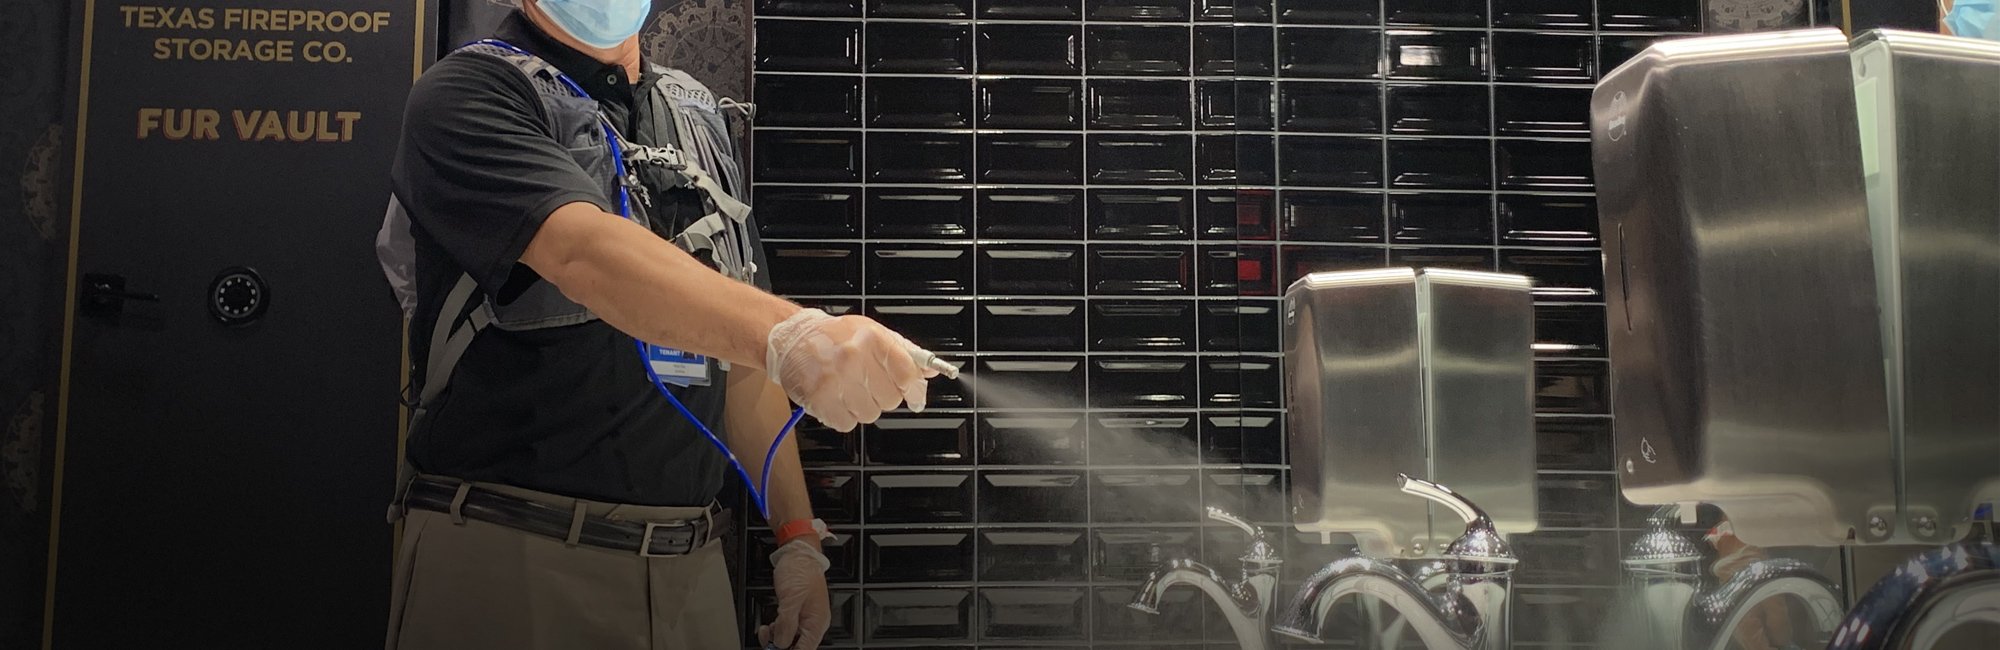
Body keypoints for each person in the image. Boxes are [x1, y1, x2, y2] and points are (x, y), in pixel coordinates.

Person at [377, 1, 937, 648]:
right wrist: (793, 332)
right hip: (512, 563)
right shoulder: (469, 91)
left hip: (687, 573)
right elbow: (584, 254)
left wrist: (797, 538)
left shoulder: (693, 113)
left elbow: (744, 350)